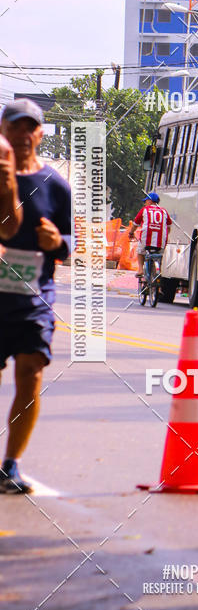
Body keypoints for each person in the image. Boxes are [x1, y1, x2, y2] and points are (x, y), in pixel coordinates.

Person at [0, 98, 71, 494]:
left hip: (33, 296)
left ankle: (10, 464)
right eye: (15, 126)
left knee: (31, 374)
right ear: (3, 131)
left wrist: (56, 241)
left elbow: (71, 242)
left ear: (41, 134)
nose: (24, 134)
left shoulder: (56, 186)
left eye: (31, 127)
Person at [129, 192, 172, 278]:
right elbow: (169, 227)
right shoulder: (164, 211)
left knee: (140, 251)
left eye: (146, 201)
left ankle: (140, 269)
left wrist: (131, 233)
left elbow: (135, 224)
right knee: (161, 255)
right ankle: (160, 271)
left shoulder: (144, 210)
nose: (144, 203)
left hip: (146, 240)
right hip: (160, 241)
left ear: (150, 201)